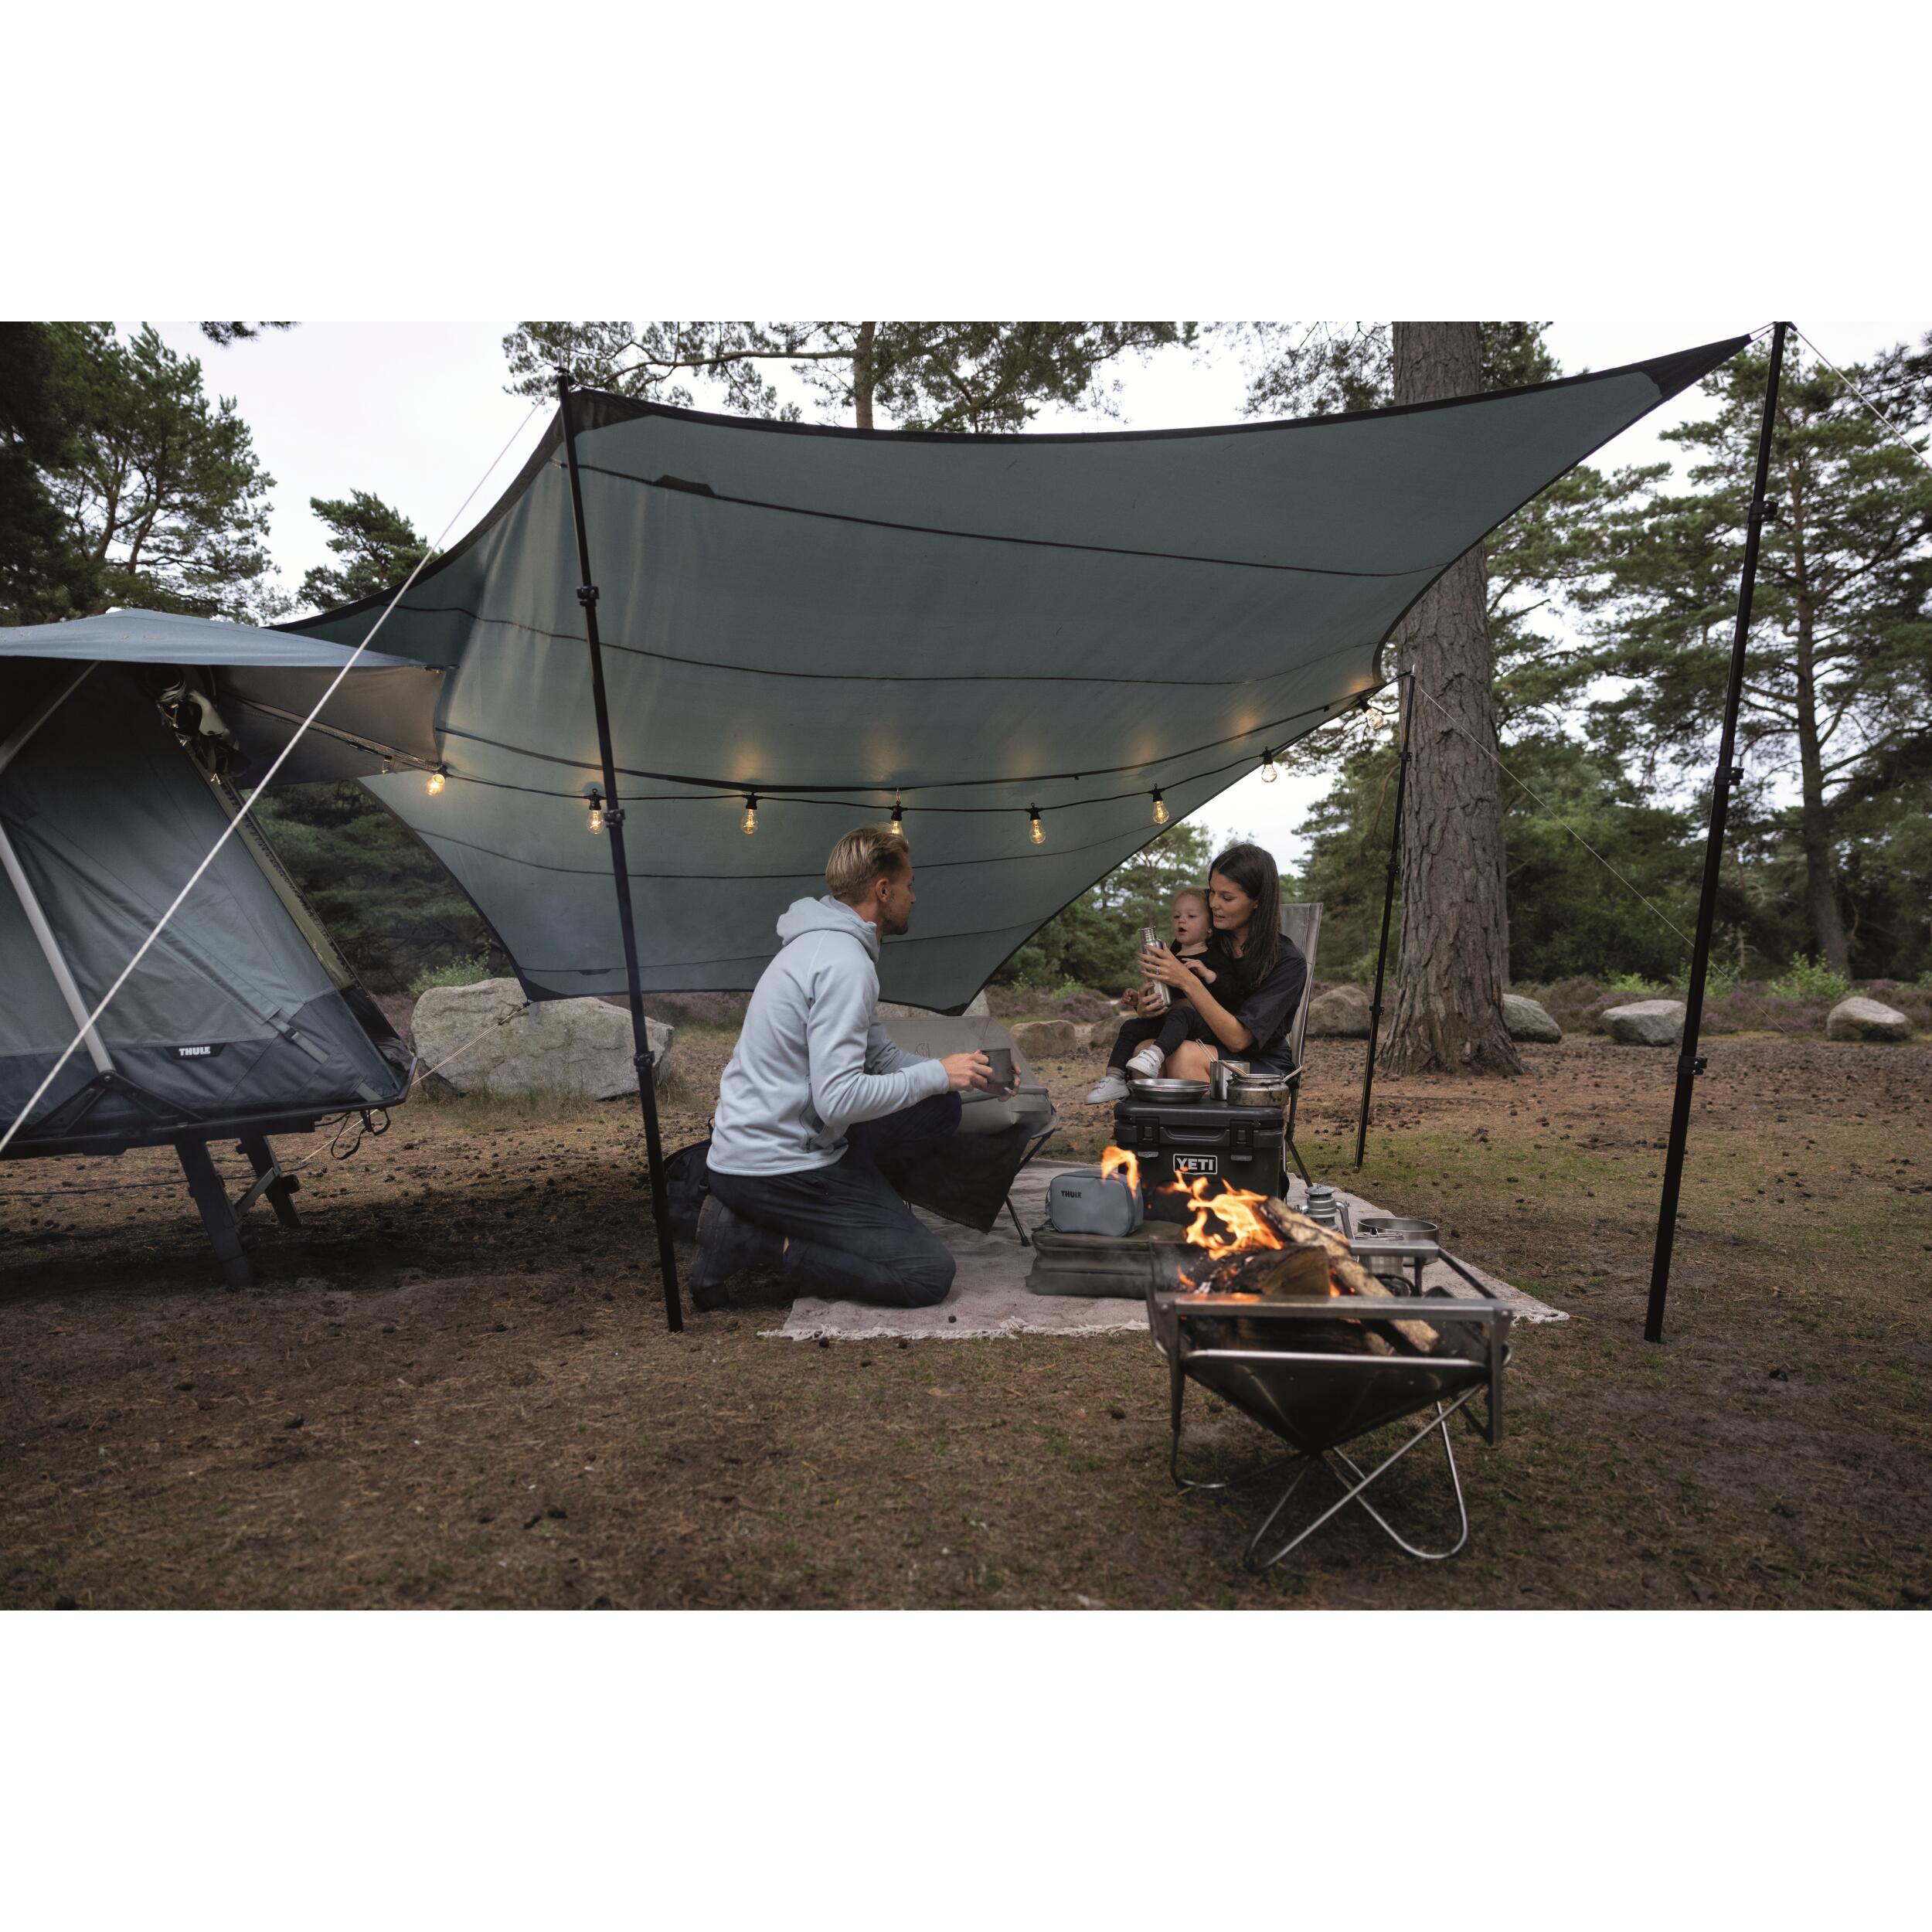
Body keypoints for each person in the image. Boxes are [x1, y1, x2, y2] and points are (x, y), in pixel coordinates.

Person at [692, 825, 1001, 1311]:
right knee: (926, 1275)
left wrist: (964, 1072)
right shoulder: (843, 964)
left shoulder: (828, 948)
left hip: (772, 1145)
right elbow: (837, 1100)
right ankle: (755, 1240)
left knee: (938, 1107)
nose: (914, 898)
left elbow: (881, 1059)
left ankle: (858, 1203)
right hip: (774, 1166)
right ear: (883, 890)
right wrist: (938, 1074)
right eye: (909, 885)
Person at [1131, 842, 1308, 1082]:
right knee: (1143, 1050)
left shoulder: (1287, 961)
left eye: (1227, 897)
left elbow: (1239, 1040)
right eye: (1212, 892)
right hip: (1202, 1040)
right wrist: (1150, 1008)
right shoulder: (1205, 939)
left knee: (1183, 1055)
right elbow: (1178, 1002)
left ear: (1257, 901)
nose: (1214, 903)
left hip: (1261, 1063)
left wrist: (1188, 981)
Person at [1083, 886, 1233, 1104]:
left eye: (1191, 916)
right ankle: (1115, 1077)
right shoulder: (1169, 956)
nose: (1182, 920)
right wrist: (1139, 1001)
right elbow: (1165, 996)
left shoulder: (1215, 956)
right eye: (1177, 916)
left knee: (1181, 1013)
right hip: (1171, 1024)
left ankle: (1154, 1056)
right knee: (1131, 1026)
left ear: (1210, 928)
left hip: (1201, 1027)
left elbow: (1230, 992)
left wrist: (1209, 975)